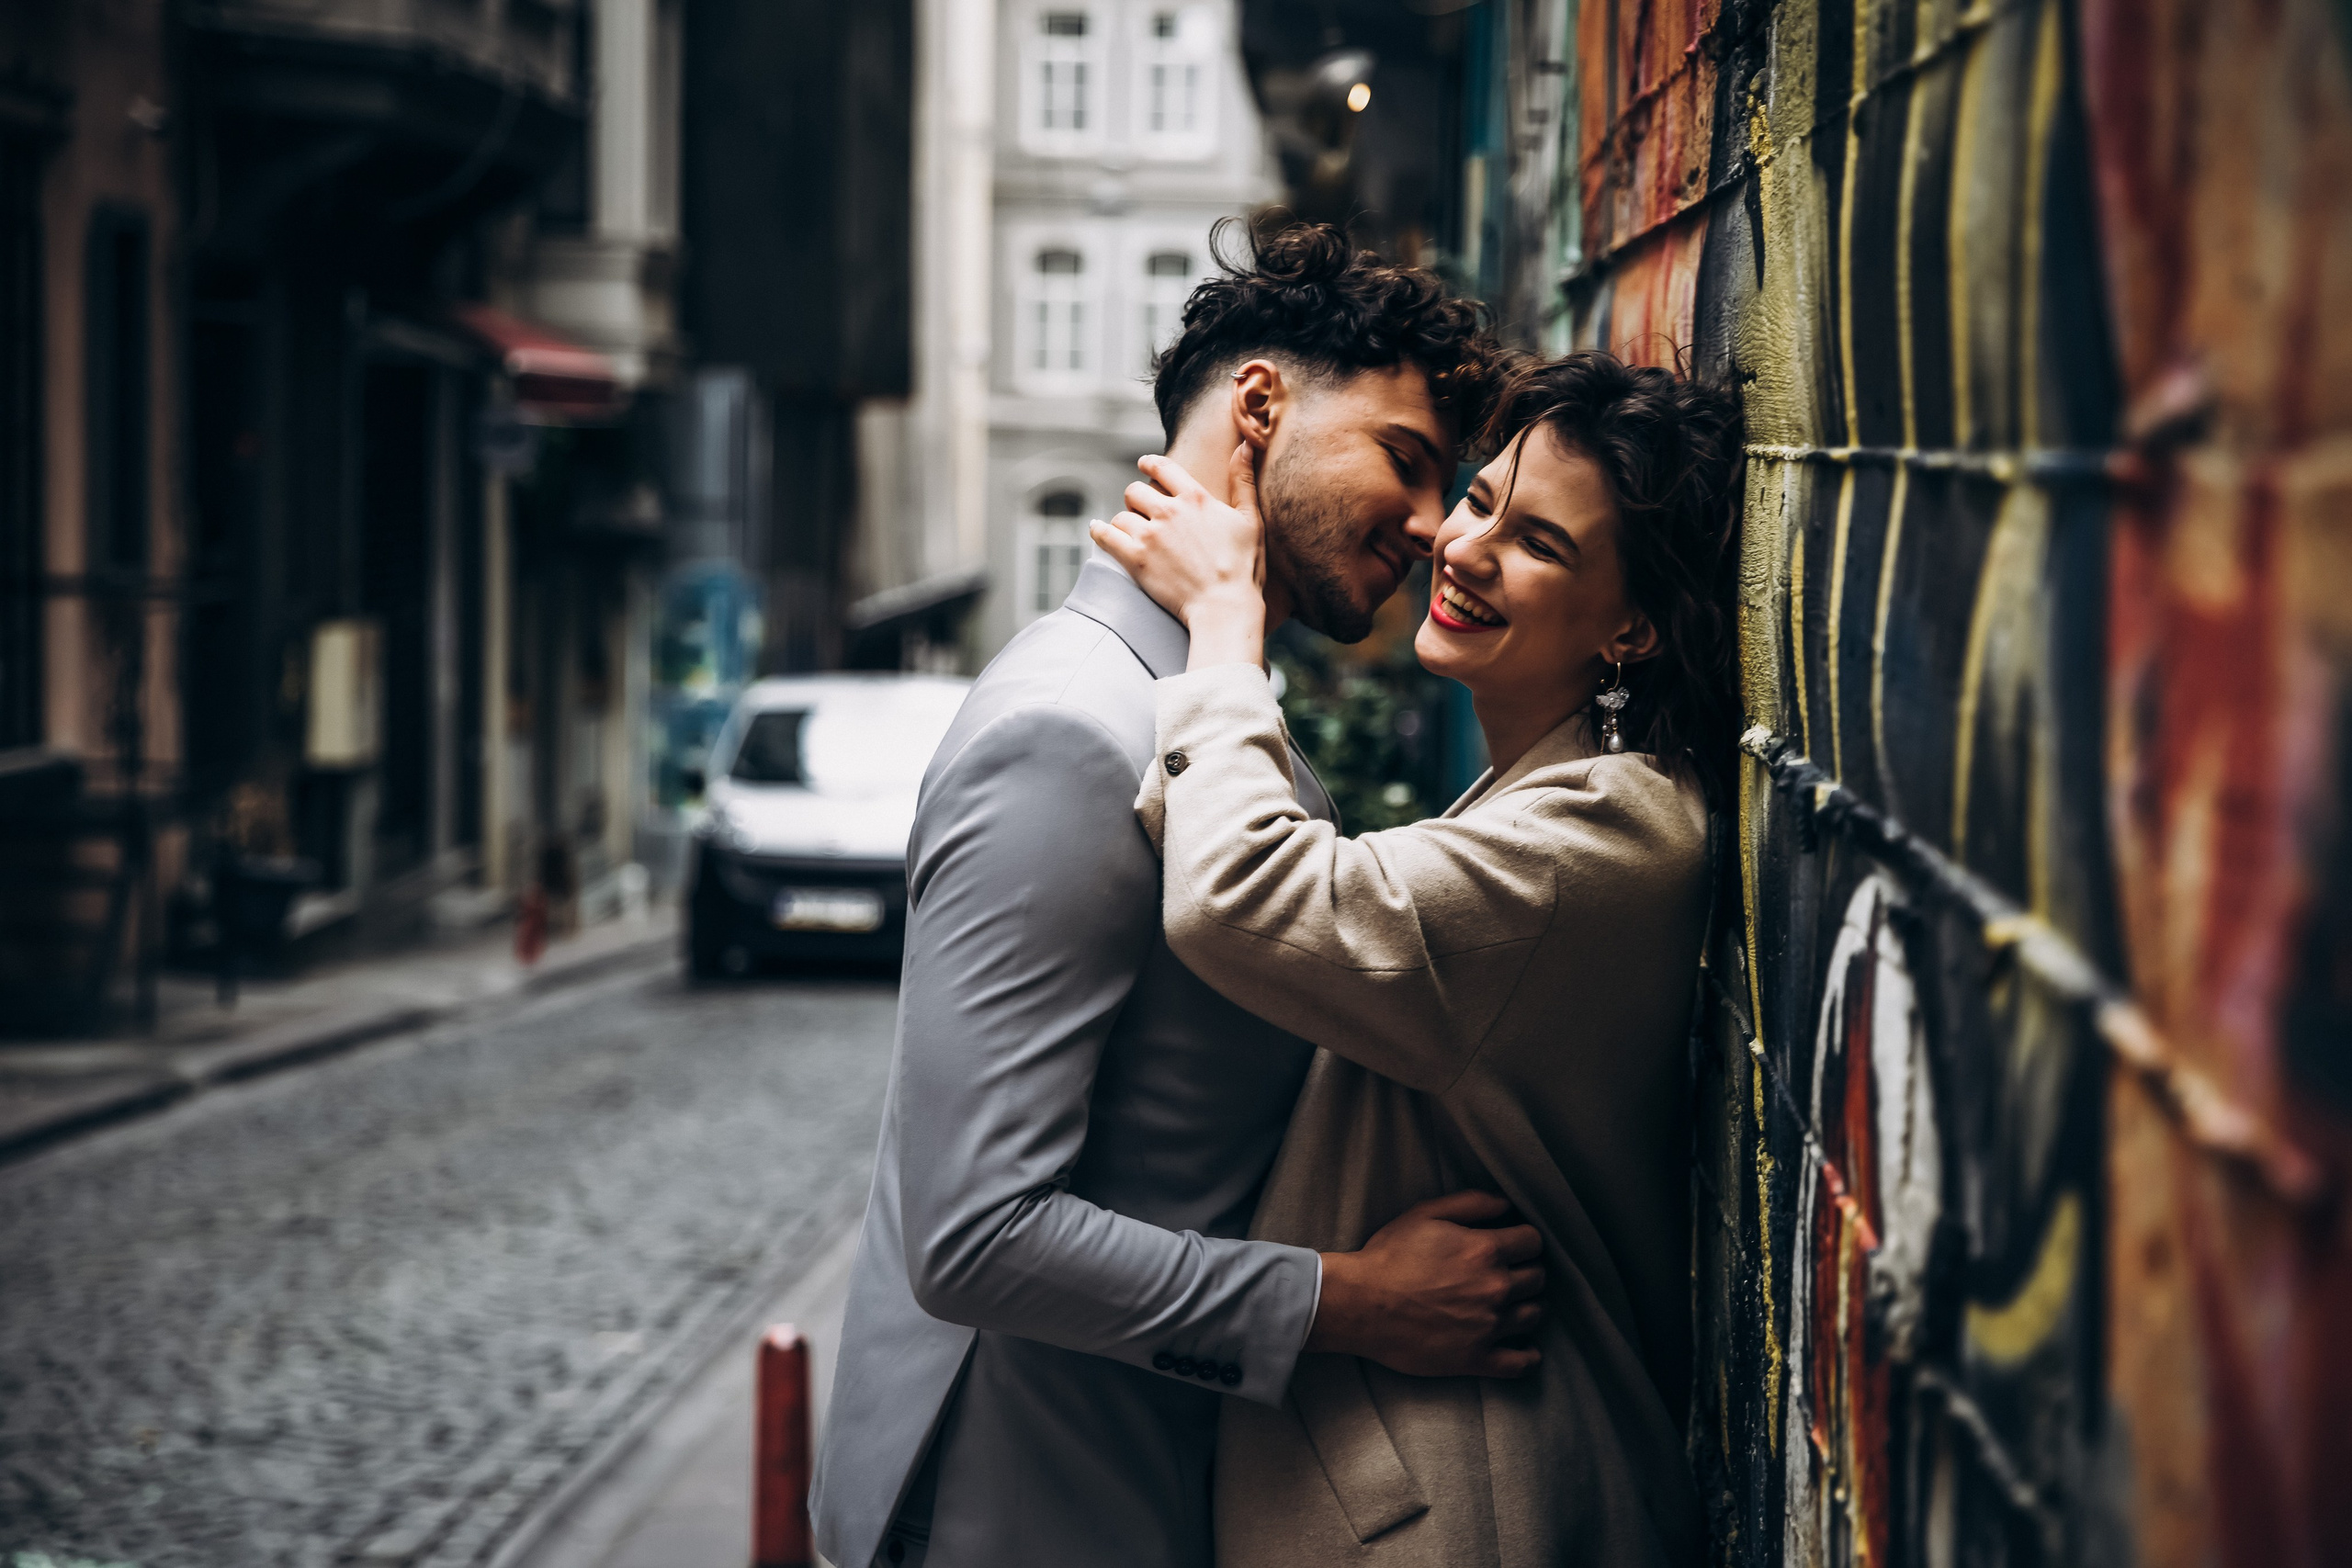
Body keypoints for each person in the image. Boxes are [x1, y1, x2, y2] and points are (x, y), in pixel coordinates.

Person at [812, 224, 1543, 1568]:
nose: (1434, 523)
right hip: (1014, 1510)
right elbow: (975, 1238)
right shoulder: (1072, 730)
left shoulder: (1198, 692)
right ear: (1259, 408)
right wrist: (1356, 1302)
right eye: (1405, 459)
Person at [1091, 348, 1743, 1567]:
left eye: (1538, 543)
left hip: (1459, 1507)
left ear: (1632, 627)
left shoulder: (1602, 835)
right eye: (1482, 500)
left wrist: (1226, 625)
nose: (1463, 545)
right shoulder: (1545, 797)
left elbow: (1240, 898)